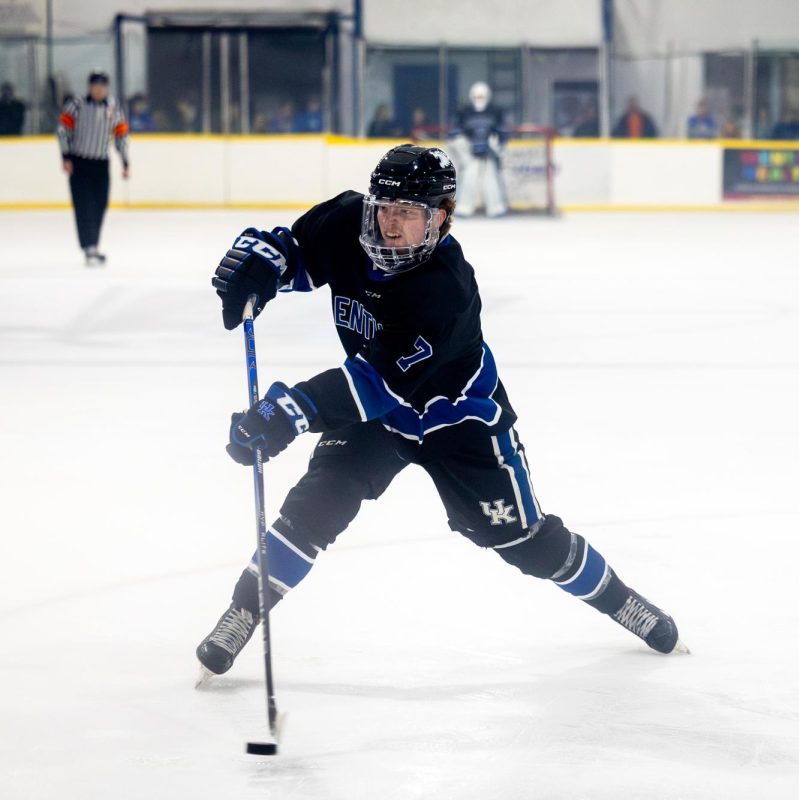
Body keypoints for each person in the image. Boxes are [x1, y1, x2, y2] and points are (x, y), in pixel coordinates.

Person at [194, 145, 689, 679]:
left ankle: (622, 601)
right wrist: (263, 265)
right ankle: (242, 612)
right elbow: (297, 253)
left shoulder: (445, 290)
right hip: (381, 419)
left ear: (441, 219)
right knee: (313, 506)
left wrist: (290, 411)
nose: (390, 225)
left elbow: (376, 385)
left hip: (459, 423)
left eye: (408, 213)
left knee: (526, 544)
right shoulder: (344, 221)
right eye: (384, 207)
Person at [57, 70, 130, 267]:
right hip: (79, 162)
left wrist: (125, 161)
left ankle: (93, 246)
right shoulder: (77, 104)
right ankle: (89, 247)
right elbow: (63, 130)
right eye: (95, 86)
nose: (98, 90)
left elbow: (121, 136)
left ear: (106, 88)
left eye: (102, 86)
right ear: (90, 87)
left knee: (99, 205)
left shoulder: (114, 108)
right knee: (84, 206)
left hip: (100, 163)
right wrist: (65, 156)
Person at [447, 82, 507, 217]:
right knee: (468, 179)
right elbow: (455, 132)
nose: (479, 99)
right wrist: (463, 147)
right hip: (470, 154)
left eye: (482, 96)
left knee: (491, 181)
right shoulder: (464, 112)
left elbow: (502, 131)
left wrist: (498, 144)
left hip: (488, 152)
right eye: (476, 96)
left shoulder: (495, 112)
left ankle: (496, 208)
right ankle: (464, 207)